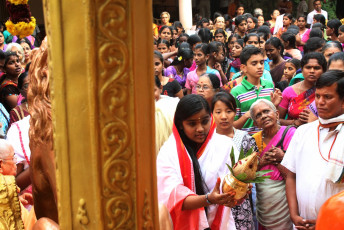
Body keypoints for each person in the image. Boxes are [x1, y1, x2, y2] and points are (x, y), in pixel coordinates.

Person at [157, 94, 247, 229]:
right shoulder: (168, 152)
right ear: (180, 125)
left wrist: (239, 191)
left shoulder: (225, 146)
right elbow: (172, 196)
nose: (200, 128)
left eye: (204, 121)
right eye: (192, 124)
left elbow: (232, 188)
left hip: (221, 224)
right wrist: (208, 199)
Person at [281, 70, 344, 229]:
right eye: (317, 96)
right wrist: (294, 215)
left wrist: (327, 221)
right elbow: (291, 176)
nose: (320, 102)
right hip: (302, 224)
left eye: (328, 97)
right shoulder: (303, 132)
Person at [212, 92, 256, 229]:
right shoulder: (206, 141)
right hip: (214, 201)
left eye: (229, 111)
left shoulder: (246, 139)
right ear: (211, 114)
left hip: (240, 204)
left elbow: (251, 173)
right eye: (218, 112)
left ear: (236, 112)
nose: (224, 116)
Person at [251, 99, 295, 230]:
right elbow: (249, 173)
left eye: (266, 111)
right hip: (264, 199)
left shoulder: (291, 134)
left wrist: (281, 158)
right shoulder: (254, 141)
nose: (263, 116)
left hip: (286, 197)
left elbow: (298, 169)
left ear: (276, 114)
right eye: (258, 115)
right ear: (255, 123)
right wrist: (262, 162)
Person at [231, 46, 277, 135]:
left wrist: (275, 104)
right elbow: (233, 126)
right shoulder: (236, 92)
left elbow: (273, 116)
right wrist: (247, 115)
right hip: (248, 142)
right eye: (254, 63)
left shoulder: (269, 85)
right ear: (243, 68)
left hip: (268, 138)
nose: (260, 66)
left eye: (261, 62)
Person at [278, 52, 326, 126]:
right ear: (302, 70)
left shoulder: (327, 91)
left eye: (317, 68)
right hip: (293, 134)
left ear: (324, 71)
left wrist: (315, 119)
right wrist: (294, 123)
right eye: (308, 67)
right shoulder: (289, 91)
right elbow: (277, 120)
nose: (312, 71)